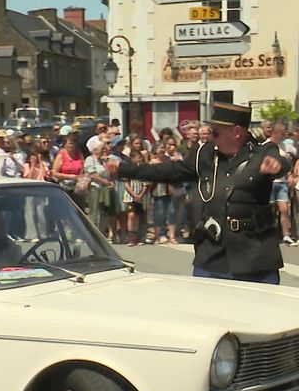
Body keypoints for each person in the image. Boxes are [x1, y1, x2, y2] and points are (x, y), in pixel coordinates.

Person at [109, 102, 291, 285]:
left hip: (254, 256)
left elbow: (281, 163)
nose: (211, 137)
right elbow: (170, 171)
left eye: (215, 132)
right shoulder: (204, 154)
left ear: (236, 132)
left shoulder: (262, 152)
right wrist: (125, 170)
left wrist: (276, 166)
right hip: (212, 254)